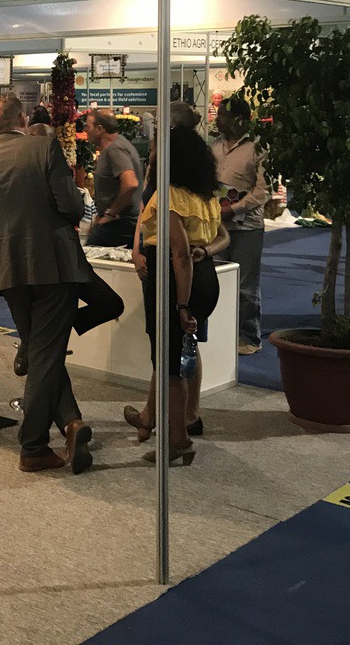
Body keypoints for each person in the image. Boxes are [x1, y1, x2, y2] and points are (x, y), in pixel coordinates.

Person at [0, 95, 94, 474]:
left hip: (8, 270)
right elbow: (72, 207)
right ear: (22, 119)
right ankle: (33, 445)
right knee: (45, 355)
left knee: (41, 351)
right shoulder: (44, 148)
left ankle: (71, 424)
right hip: (53, 265)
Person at [123, 125, 223, 466]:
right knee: (177, 356)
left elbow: (179, 255)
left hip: (174, 281)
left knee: (169, 365)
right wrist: (205, 252)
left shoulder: (168, 196)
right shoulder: (205, 195)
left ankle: (178, 439)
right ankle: (160, 422)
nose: (150, 155)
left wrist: (180, 305)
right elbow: (221, 237)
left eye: (155, 150)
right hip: (206, 278)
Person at [211, 94, 269, 354]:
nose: (217, 120)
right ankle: (221, 335)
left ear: (238, 119)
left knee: (246, 286)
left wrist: (233, 209)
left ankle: (248, 337)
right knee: (217, 280)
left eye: (222, 115)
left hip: (247, 227)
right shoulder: (215, 146)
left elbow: (263, 191)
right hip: (217, 225)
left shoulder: (258, 147)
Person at [84, 108, 141, 247]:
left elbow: (131, 183)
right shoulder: (118, 145)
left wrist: (110, 214)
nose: (85, 130)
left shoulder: (114, 149)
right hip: (119, 222)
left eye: (88, 126)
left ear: (99, 129)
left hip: (120, 224)